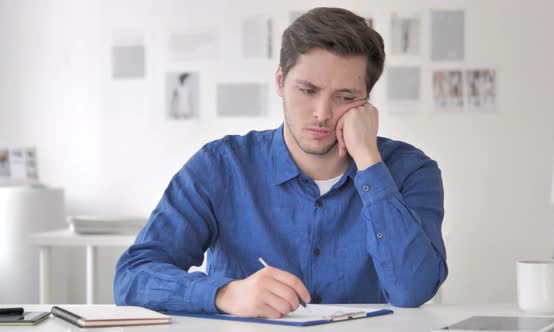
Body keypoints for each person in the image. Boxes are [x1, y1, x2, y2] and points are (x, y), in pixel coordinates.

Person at [114, 7, 447, 318]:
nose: (322, 113)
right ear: (280, 81)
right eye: (307, 90)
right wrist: (225, 294)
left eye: (345, 97)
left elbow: (411, 290)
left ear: (366, 102)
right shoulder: (220, 166)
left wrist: (369, 160)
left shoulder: (410, 172)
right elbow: (133, 277)